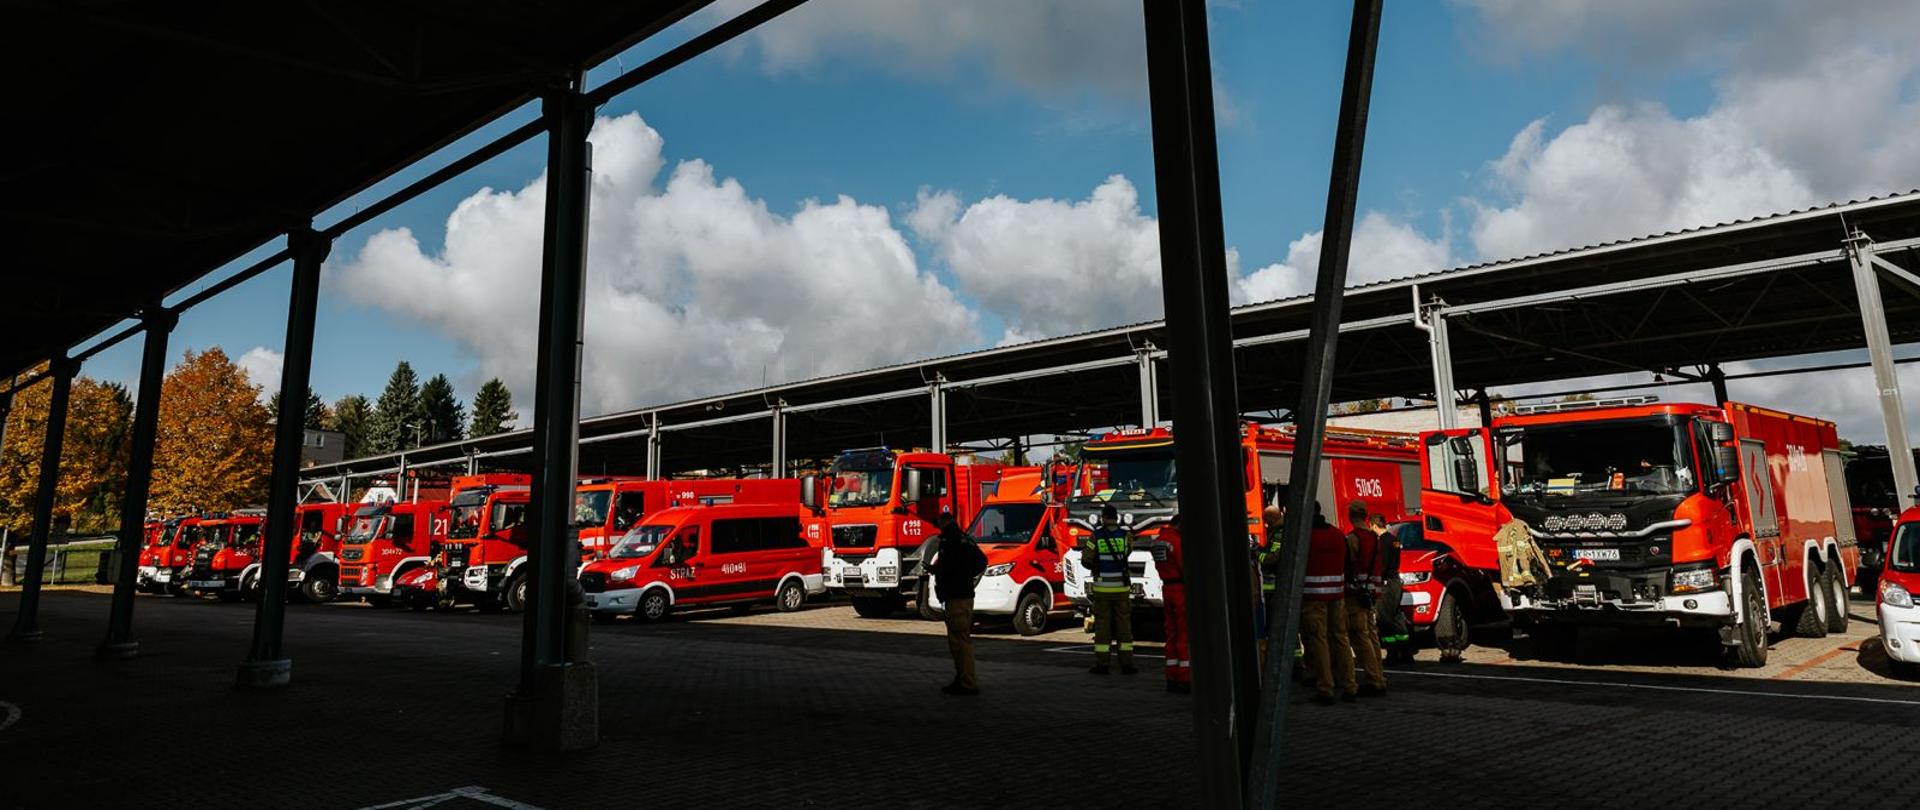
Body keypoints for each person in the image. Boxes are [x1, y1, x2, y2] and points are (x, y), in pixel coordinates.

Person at [1299, 503, 1353, 704]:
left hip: (1313, 597)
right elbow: (1348, 564)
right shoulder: (1337, 534)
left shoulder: (1305, 536)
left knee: (1318, 641)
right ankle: (1349, 684)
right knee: (1341, 639)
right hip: (1337, 595)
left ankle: (1325, 687)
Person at [930, 513, 987, 696]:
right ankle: (962, 677)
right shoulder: (965, 539)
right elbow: (981, 562)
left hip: (956, 596)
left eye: (939, 520)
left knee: (960, 640)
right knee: (958, 640)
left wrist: (953, 577)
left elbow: (949, 568)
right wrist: (966, 576)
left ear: (945, 522)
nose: (937, 522)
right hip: (962, 594)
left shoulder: (951, 541)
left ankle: (967, 682)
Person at [1081, 505, 1136, 675]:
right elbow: (1128, 552)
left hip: (1103, 589)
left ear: (1103, 518)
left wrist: (1097, 564)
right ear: (1116, 518)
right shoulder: (1125, 536)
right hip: (1121, 588)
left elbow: (1086, 560)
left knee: (1103, 627)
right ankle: (1126, 664)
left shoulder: (1096, 537)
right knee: (1124, 627)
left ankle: (1102, 664)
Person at [1344, 501, 1388, 698]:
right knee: (1371, 634)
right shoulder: (1374, 537)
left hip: (1356, 594)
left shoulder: (1353, 538)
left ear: (1350, 516)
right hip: (1371, 593)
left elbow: (1350, 565)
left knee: (1360, 636)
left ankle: (1374, 679)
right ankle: (1380, 675)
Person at [1151, 515, 1189, 693]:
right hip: (1180, 589)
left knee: (1171, 632)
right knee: (1184, 633)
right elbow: (1185, 565)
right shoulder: (1176, 541)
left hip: (1167, 588)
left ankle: (1171, 675)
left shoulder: (1158, 541)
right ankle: (1184, 676)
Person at [1372, 514, 1414, 665]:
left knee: (1384, 619)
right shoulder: (1394, 539)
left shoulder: (1382, 542)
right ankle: (1406, 652)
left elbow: (1382, 564)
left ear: (1374, 525)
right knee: (1397, 617)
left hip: (1387, 583)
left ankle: (1392, 653)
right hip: (1396, 581)